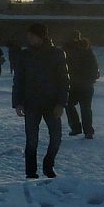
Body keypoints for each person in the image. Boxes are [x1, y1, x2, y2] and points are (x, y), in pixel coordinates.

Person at [12, 22, 69, 178]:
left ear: (41, 36)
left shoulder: (57, 54)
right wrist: (17, 102)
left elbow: (64, 81)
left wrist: (61, 103)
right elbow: (19, 79)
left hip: (52, 104)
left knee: (56, 138)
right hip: (31, 104)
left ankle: (48, 165)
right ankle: (31, 172)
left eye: (31, 36)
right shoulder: (25, 55)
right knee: (32, 140)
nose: (28, 39)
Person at [65, 31, 100, 139]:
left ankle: (76, 127)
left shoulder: (67, 50)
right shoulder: (87, 50)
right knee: (85, 108)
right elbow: (95, 67)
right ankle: (87, 131)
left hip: (75, 84)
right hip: (84, 84)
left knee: (69, 104)